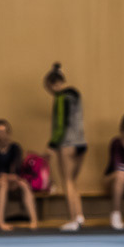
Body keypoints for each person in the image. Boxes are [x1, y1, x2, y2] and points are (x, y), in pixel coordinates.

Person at [44, 63, 85, 232]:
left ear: (52, 84)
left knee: (67, 181)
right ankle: (80, 215)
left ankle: (73, 219)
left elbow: (61, 124)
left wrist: (52, 145)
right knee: (73, 181)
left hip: (67, 143)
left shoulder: (61, 97)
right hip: (81, 143)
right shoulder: (75, 94)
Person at [0, 119, 37, 231]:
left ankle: (33, 220)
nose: (2, 135)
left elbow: (17, 167)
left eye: (4, 132)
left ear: (8, 133)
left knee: (24, 184)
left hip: (11, 179)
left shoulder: (15, 148)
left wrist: (12, 177)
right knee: (3, 184)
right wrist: (5, 176)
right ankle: (1, 222)